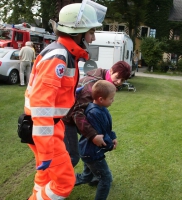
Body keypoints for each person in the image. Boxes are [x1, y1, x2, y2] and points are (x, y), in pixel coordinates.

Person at [23, 2, 107, 200]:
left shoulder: (66, 54)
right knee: (64, 184)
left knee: (44, 178)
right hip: (46, 131)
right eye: (91, 31)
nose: (93, 37)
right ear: (78, 32)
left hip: (52, 127)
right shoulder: (59, 56)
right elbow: (41, 106)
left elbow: (54, 94)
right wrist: (45, 150)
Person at [63, 61, 131, 183]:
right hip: (68, 119)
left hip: (81, 120)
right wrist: (92, 135)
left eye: (123, 80)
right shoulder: (91, 86)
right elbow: (77, 113)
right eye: (117, 77)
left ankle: (90, 176)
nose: (119, 82)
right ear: (110, 71)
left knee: (90, 147)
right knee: (73, 156)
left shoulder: (104, 85)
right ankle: (57, 181)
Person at [75, 80, 117, 200]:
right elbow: (100, 134)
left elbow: (107, 128)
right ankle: (62, 183)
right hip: (92, 153)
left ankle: (64, 182)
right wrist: (109, 145)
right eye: (111, 98)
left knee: (86, 176)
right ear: (101, 99)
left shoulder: (102, 109)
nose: (113, 100)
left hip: (89, 152)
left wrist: (113, 137)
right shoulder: (95, 113)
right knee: (106, 178)